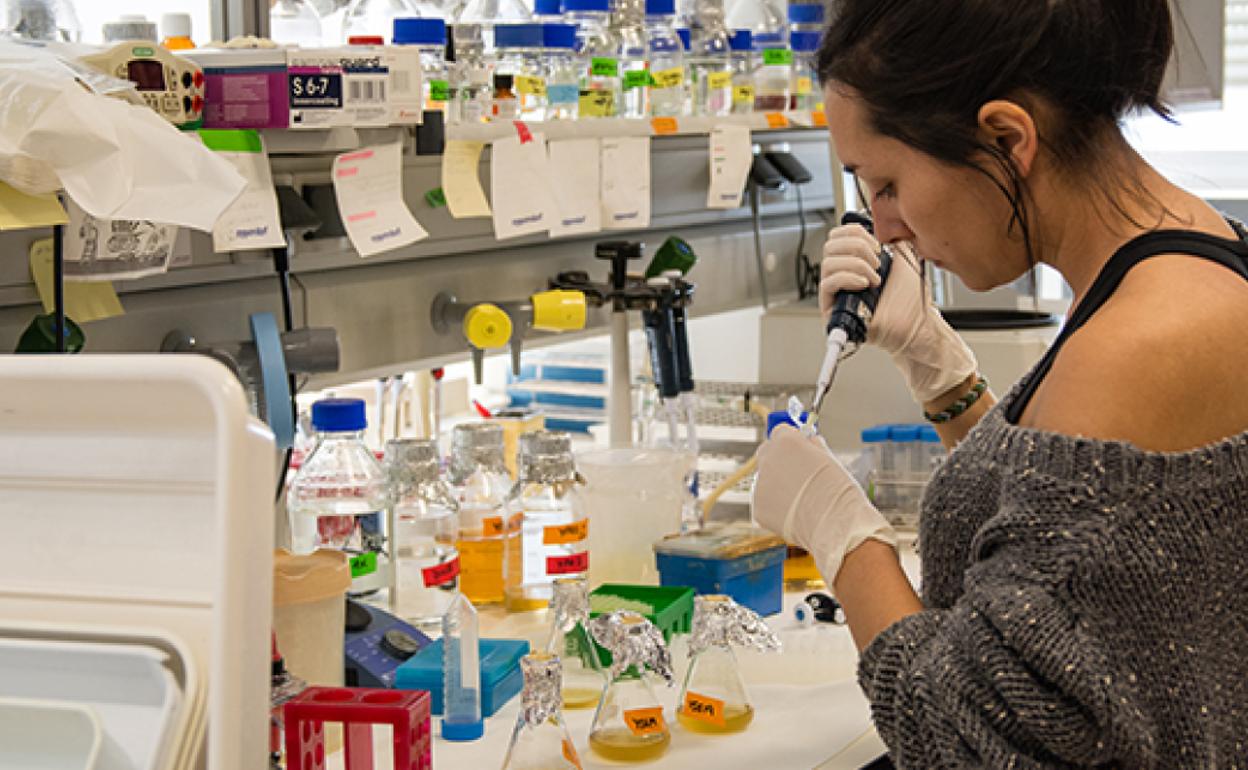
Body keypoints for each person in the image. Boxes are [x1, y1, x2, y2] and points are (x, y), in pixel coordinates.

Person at [751, 0, 1248, 767]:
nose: (884, 230)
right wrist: (939, 371)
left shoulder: (1138, 345)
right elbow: (1084, 553)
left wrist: (842, 537)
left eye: (886, 184)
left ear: (1007, 138)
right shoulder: (1178, 259)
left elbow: (973, 742)